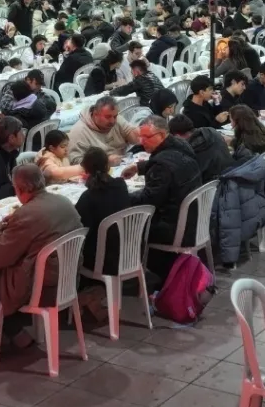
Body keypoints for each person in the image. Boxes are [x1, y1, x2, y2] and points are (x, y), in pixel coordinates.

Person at [0, 163, 83, 351]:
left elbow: (0, 257)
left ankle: (15, 331)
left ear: (19, 189)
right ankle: (8, 329)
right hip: (68, 278)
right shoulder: (63, 202)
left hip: (42, 287)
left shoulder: (27, 213)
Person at [120, 115, 202, 277]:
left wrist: (121, 196)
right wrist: (139, 167)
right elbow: (171, 161)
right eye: (141, 137)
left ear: (162, 135)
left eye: (147, 137)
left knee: (126, 224)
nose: (142, 142)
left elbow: (148, 201)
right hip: (194, 218)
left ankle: (131, 273)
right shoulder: (181, 145)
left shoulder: (161, 165)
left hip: (174, 226)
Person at [74, 147, 132, 277]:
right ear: (107, 166)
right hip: (128, 251)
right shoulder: (121, 186)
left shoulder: (88, 196)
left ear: (85, 170)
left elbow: (79, 227)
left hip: (102, 259)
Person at [67, 95, 140, 164]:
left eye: (115, 116)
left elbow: (132, 135)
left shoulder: (117, 120)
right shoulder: (79, 131)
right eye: (107, 117)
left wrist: (139, 135)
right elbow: (75, 161)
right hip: (99, 169)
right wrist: (105, 161)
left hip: (123, 161)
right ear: (95, 114)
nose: (112, 121)